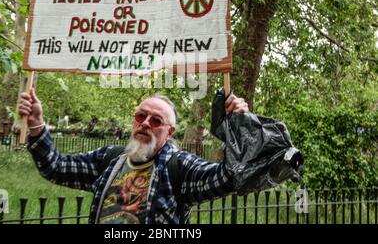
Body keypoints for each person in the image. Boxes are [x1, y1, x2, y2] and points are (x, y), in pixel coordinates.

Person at [18, 88, 293, 224]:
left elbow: (228, 178)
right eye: (141, 116)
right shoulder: (109, 159)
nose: (146, 123)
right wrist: (36, 124)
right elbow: (54, 167)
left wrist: (240, 125)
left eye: (156, 120)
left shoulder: (179, 166)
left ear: (169, 132)